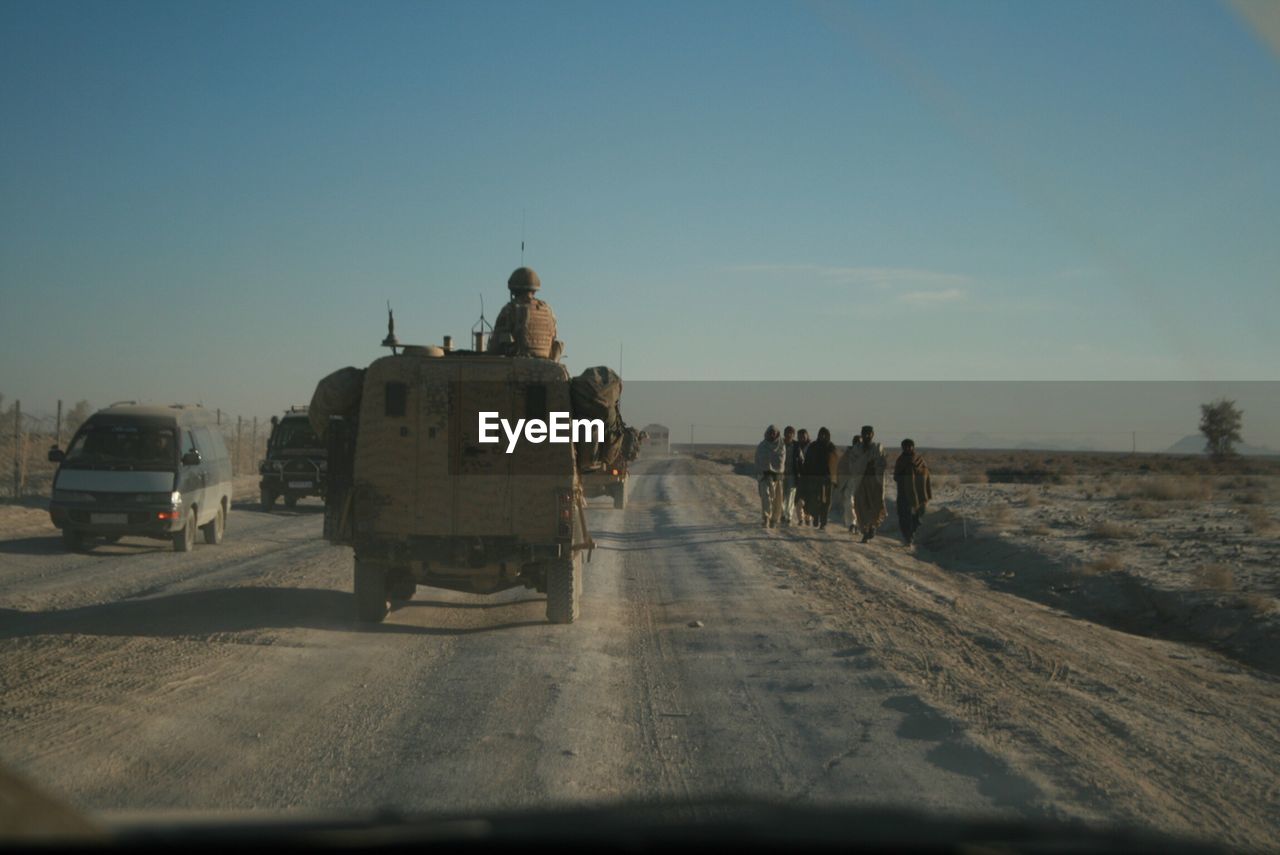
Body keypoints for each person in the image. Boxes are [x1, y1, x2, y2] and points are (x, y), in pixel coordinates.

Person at [487, 267, 564, 361]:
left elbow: (495, 348)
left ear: (513, 290)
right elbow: (553, 338)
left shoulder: (510, 309)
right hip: (547, 367)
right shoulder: (548, 311)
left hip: (518, 367)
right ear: (535, 290)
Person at [847, 425, 888, 542]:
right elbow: (853, 465)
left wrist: (874, 465)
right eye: (864, 433)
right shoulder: (856, 449)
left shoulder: (877, 448)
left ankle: (872, 527)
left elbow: (882, 463)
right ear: (861, 434)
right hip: (861, 482)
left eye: (869, 433)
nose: (867, 436)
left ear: (873, 434)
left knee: (874, 506)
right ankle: (865, 531)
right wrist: (864, 463)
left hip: (874, 482)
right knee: (861, 507)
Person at [893, 438, 932, 546]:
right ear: (902, 448)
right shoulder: (900, 460)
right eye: (905, 447)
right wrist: (906, 478)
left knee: (918, 514)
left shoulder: (919, 460)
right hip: (904, 493)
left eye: (909, 446)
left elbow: (926, 474)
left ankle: (911, 534)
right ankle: (907, 537)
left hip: (919, 493)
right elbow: (896, 476)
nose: (907, 449)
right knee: (904, 515)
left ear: (913, 447)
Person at [800, 426, 839, 529]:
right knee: (814, 499)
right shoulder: (813, 446)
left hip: (827, 479)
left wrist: (835, 479)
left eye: (825, 435)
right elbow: (807, 462)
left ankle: (823, 521)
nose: (823, 436)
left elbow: (835, 464)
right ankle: (815, 517)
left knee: (826, 501)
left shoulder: (831, 447)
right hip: (814, 478)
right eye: (821, 434)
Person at [754, 424, 786, 528]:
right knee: (766, 497)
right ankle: (766, 517)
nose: (772, 435)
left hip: (777, 476)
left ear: (777, 434)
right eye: (770, 433)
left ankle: (774, 519)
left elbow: (781, 461)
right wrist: (763, 470)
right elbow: (758, 460)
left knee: (777, 499)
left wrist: (776, 470)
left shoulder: (781, 446)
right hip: (765, 476)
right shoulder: (762, 446)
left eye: (774, 433)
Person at [834, 435, 862, 533]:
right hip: (848, 482)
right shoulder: (847, 454)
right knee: (849, 503)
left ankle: (859, 524)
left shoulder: (865, 454)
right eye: (856, 442)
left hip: (860, 483)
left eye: (860, 442)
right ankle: (852, 523)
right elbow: (841, 467)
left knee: (860, 505)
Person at [792, 428, 811, 525]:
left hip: (809, 477)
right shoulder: (795, 447)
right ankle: (801, 519)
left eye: (803, 436)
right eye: (799, 437)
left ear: (807, 436)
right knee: (797, 499)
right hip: (798, 477)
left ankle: (807, 517)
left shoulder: (811, 447)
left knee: (808, 499)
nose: (801, 439)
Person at [780, 426, 797, 526]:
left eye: (791, 433)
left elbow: (800, 459)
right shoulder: (780, 444)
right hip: (781, 474)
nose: (789, 435)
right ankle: (782, 513)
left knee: (790, 495)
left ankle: (789, 515)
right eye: (787, 433)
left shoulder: (796, 446)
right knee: (781, 495)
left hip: (792, 474)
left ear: (793, 435)